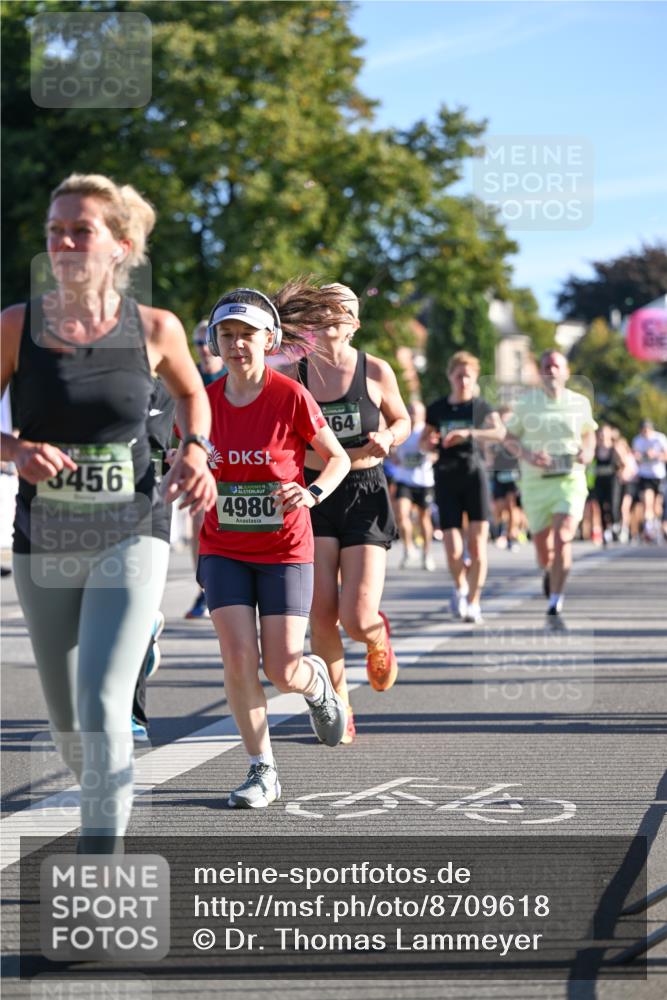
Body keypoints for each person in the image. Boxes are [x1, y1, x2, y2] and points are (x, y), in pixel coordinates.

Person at [0, 173, 216, 852]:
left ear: (119, 245)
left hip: (132, 528)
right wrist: (14, 450)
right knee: (70, 728)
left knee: (101, 706)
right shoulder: (16, 326)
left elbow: (192, 395)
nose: (64, 243)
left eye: (81, 230)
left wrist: (196, 450)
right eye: (55, 231)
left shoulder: (155, 327)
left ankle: (101, 866)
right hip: (44, 535)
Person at [197, 282, 351, 808]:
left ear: (269, 339)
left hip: (285, 547)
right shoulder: (201, 404)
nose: (237, 344)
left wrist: (310, 493)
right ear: (215, 342)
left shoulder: (289, 395)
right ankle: (262, 768)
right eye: (227, 335)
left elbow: (337, 458)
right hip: (222, 547)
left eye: (248, 334)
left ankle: (316, 686)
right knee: (238, 656)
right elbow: (185, 460)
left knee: (283, 669)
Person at [293, 283, 410, 744]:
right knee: (321, 614)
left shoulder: (375, 370)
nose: (329, 319)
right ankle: (340, 705)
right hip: (316, 493)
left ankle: (378, 638)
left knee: (357, 617)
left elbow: (402, 419)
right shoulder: (295, 372)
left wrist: (390, 437)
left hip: (365, 492)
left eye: (339, 312)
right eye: (321, 311)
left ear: (354, 324)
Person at [504, 350, 596, 629]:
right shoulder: (526, 403)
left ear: (566, 371)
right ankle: (549, 570)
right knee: (544, 551)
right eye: (546, 366)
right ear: (541, 372)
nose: (552, 370)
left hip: (569, 481)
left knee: (563, 537)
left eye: (557, 366)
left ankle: (555, 601)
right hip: (535, 484)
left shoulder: (579, 402)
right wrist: (529, 455)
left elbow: (589, 434)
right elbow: (508, 437)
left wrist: (588, 452)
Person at [422, 351, 505, 624]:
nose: (464, 381)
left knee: (478, 546)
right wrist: (430, 443)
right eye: (459, 375)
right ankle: (460, 587)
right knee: (453, 549)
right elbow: (424, 441)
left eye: (468, 376)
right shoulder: (437, 408)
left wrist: (470, 433)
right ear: (450, 377)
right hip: (446, 476)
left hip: (474, 475)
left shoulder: (481, 407)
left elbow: (499, 432)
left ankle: (474, 602)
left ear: (476, 377)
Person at [185, 320, 226, 619]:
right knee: (199, 525)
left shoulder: (233, 373)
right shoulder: (190, 376)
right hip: (202, 460)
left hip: (234, 460)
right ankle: (204, 589)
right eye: (197, 344)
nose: (202, 349)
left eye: (206, 343)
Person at [391, 400, 436, 571]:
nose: (412, 414)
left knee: (424, 518)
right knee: (401, 514)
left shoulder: (427, 431)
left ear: (423, 414)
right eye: (410, 411)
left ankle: (427, 553)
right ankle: (409, 548)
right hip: (404, 479)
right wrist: (393, 455)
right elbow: (392, 448)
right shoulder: (403, 429)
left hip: (424, 480)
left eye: (415, 412)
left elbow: (436, 452)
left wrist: (432, 455)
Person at [489, 404, 522, 551]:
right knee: (499, 507)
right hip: (498, 474)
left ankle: (511, 537)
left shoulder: (516, 435)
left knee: (511, 505)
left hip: (513, 473)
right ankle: (501, 531)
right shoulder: (495, 435)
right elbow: (489, 455)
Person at [631, 419, 667, 542]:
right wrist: (640, 457)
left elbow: (666, 455)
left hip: (658, 475)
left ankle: (657, 523)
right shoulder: (637, 440)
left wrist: (655, 455)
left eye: (647, 430)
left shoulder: (659, 438)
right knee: (647, 502)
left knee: (657, 506)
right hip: (645, 474)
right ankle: (649, 528)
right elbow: (635, 456)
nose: (645, 432)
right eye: (643, 430)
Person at [589, 424, 622, 545]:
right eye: (601, 433)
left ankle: (615, 526)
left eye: (605, 432)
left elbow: (624, 463)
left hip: (612, 481)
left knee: (613, 505)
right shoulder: (596, 449)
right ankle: (605, 530)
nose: (603, 435)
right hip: (599, 481)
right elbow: (588, 461)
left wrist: (621, 472)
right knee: (601, 506)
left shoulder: (615, 448)